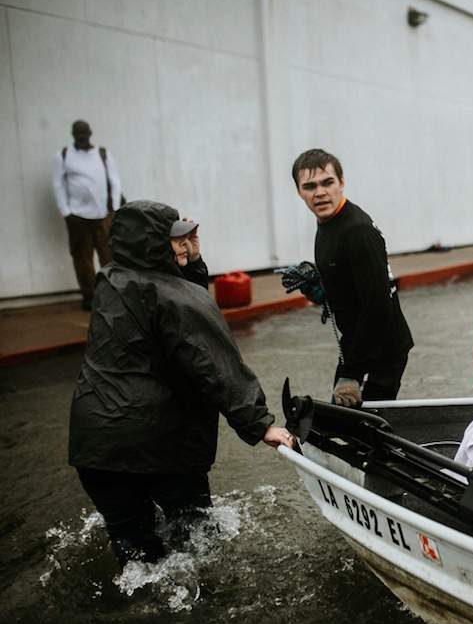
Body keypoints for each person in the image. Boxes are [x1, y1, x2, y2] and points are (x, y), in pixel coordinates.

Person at [69, 200, 294, 565]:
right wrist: (260, 424)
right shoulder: (176, 297)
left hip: (94, 446)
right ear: (153, 245)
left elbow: (166, 297)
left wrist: (190, 262)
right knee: (197, 541)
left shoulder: (111, 279)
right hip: (158, 445)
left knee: (137, 555)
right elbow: (215, 365)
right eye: (174, 240)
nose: (182, 245)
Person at [291, 148, 413, 405]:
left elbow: (377, 307)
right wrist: (324, 289)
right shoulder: (328, 223)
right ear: (299, 191)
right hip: (357, 342)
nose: (320, 192)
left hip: (382, 348)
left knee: (366, 429)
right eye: (310, 186)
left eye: (327, 182)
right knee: (346, 421)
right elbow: (350, 283)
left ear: (342, 182)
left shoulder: (356, 230)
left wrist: (352, 372)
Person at [52, 120, 122, 310]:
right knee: (82, 258)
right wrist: (66, 212)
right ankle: (90, 297)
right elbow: (58, 185)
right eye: (78, 133)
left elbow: (114, 181)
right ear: (73, 134)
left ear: (90, 133)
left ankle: (113, 294)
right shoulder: (63, 155)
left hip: (102, 215)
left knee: (108, 255)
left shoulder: (102, 154)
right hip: (77, 217)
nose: (81, 136)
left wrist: (113, 209)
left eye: (84, 133)